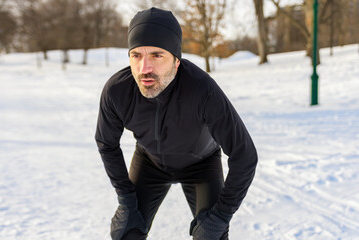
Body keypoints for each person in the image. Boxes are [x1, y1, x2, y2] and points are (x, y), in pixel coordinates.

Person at [95, 7, 258, 240]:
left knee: (212, 236)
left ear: (176, 60)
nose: (145, 68)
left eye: (157, 55)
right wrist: (125, 200)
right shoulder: (117, 92)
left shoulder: (202, 91)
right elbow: (106, 143)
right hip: (150, 162)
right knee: (126, 232)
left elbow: (245, 155)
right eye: (136, 56)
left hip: (201, 164)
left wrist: (221, 216)